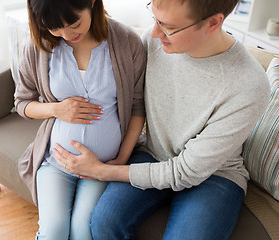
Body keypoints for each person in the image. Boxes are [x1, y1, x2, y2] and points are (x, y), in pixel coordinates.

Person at [53, 0, 271, 239]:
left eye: (168, 27)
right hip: (153, 153)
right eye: (154, 19)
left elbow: (185, 171)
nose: (154, 33)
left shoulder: (249, 84)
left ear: (213, 23)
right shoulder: (153, 40)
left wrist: (103, 171)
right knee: (104, 221)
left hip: (213, 176)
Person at [14, 0, 146, 239]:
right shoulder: (38, 47)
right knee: (53, 231)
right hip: (56, 161)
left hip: (102, 164)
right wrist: (56, 109)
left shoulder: (127, 41)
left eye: (74, 23)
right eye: (54, 27)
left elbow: (138, 108)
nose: (66, 34)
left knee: (83, 232)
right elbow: (22, 103)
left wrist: (120, 160)